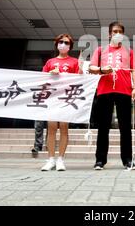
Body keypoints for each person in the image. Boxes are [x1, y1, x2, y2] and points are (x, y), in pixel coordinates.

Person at [89, 21, 135, 170]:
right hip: (105, 91)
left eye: (120, 32)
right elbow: (91, 68)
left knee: (125, 128)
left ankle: (127, 160)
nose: (117, 34)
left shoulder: (129, 52)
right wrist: (101, 70)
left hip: (124, 90)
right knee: (103, 127)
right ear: (110, 34)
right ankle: (100, 160)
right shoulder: (100, 50)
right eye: (115, 31)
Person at [40, 33, 82, 171]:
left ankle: (60, 160)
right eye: (60, 42)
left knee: (64, 127)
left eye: (66, 42)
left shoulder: (74, 62)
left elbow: (80, 80)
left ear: (70, 46)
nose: (63, 44)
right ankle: (50, 159)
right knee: (51, 128)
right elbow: (41, 79)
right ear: (56, 44)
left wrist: (80, 69)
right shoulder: (50, 62)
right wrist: (50, 74)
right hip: (52, 98)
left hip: (66, 98)